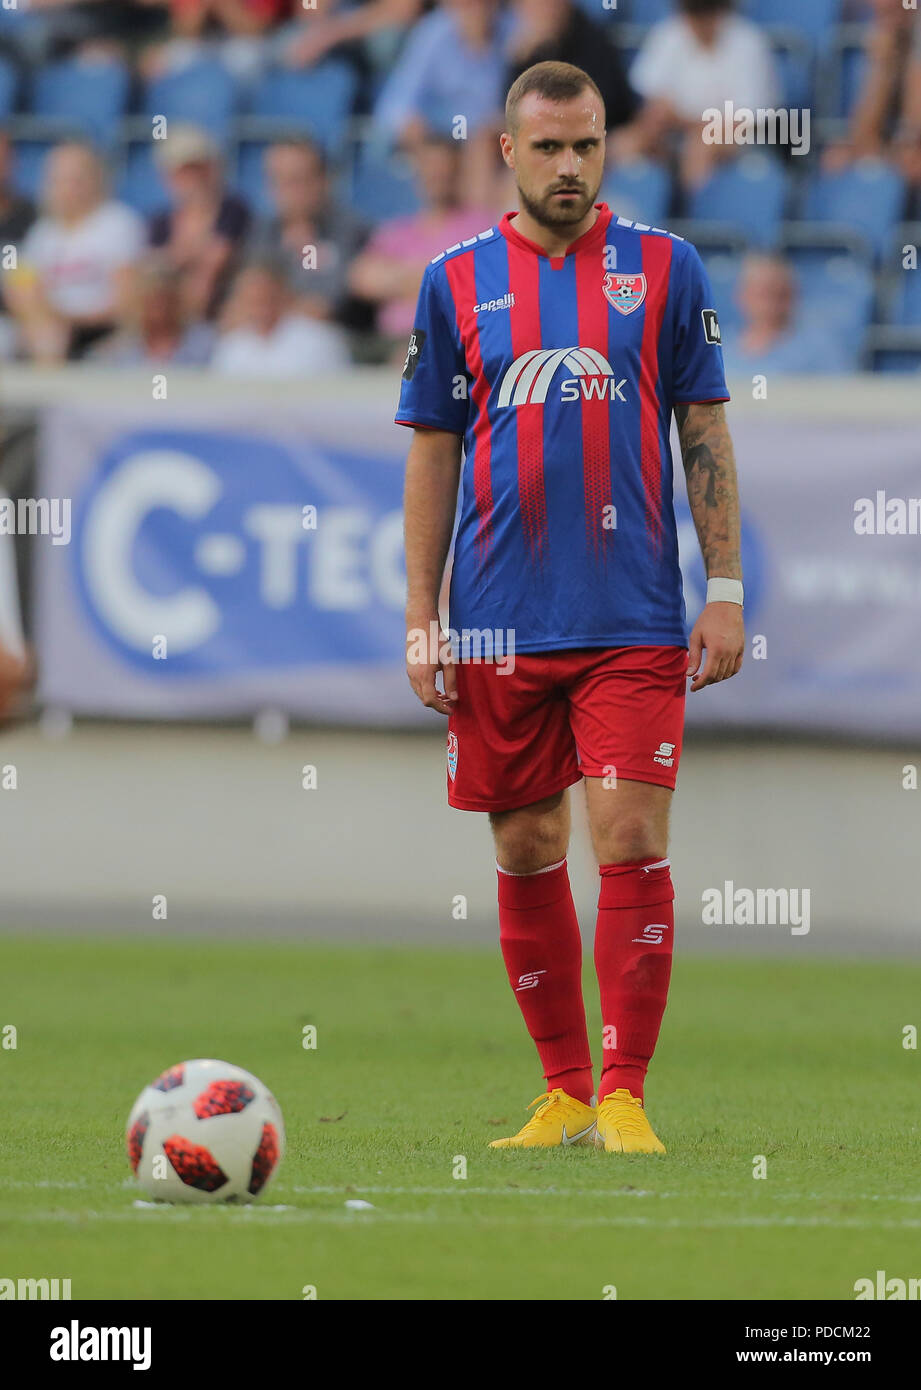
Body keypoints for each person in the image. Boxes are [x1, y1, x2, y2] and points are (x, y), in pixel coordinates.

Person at [398, 61, 744, 1155]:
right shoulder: (454, 280)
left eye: (586, 146)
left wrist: (725, 589)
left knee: (628, 829)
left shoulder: (665, 268)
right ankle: (563, 1093)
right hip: (499, 617)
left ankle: (627, 1089)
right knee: (527, 844)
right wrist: (423, 611)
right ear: (508, 151)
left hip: (636, 615)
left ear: (609, 148)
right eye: (547, 147)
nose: (568, 166)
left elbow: (704, 431)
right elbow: (434, 452)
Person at [348, 131, 493, 352]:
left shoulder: (481, 225)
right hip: (390, 341)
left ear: (457, 171)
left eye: (443, 170)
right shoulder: (396, 230)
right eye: (430, 169)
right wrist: (432, 280)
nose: (436, 176)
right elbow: (362, 279)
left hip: (452, 341)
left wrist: (400, 277)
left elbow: (481, 283)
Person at [6, 141, 144, 362]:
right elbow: (22, 289)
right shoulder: (42, 234)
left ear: (95, 180)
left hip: (103, 333)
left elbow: (127, 302)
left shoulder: (117, 223)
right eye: (58, 180)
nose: (66, 188)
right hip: (51, 332)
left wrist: (71, 322)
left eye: (75, 179)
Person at [619, 0, 778, 190]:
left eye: (708, 11)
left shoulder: (748, 41)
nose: (701, 20)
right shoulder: (669, 33)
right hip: (674, 132)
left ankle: (691, 211)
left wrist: (689, 122)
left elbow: (744, 120)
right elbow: (654, 104)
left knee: (702, 143)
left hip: (736, 139)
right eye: (693, 11)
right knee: (625, 142)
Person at [246, 138, 369, 322]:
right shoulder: (262, 232)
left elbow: (323, 305)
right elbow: (242, 302)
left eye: (297, 180)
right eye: (278, 180)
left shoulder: (351, 231)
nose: (287, 191)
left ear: (324, 180)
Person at [149, 123, 251, 320]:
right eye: (181, 171)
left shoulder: (232, 210)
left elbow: (214, 264)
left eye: (195, 169)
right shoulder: (161, 220)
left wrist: (178, 256)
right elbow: (153, 270)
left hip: (219, 311)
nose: (189, 179)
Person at [721, 253, 859, 375]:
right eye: (763, 294)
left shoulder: (819, 349)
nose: (772, 303)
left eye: (781, 294)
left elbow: (841, 393)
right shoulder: (720, 348)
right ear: (741, 295)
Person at [212, 258, 350, 375]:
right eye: (251, 299)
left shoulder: (319, 339)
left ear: (282, 294)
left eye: (264, 296)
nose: (258, 306)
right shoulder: (232, 345)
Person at [88, 257, 215, 366]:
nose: (160, 309)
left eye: (166, 300)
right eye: (152, 302)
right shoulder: (118, 350)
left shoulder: (205, 344)